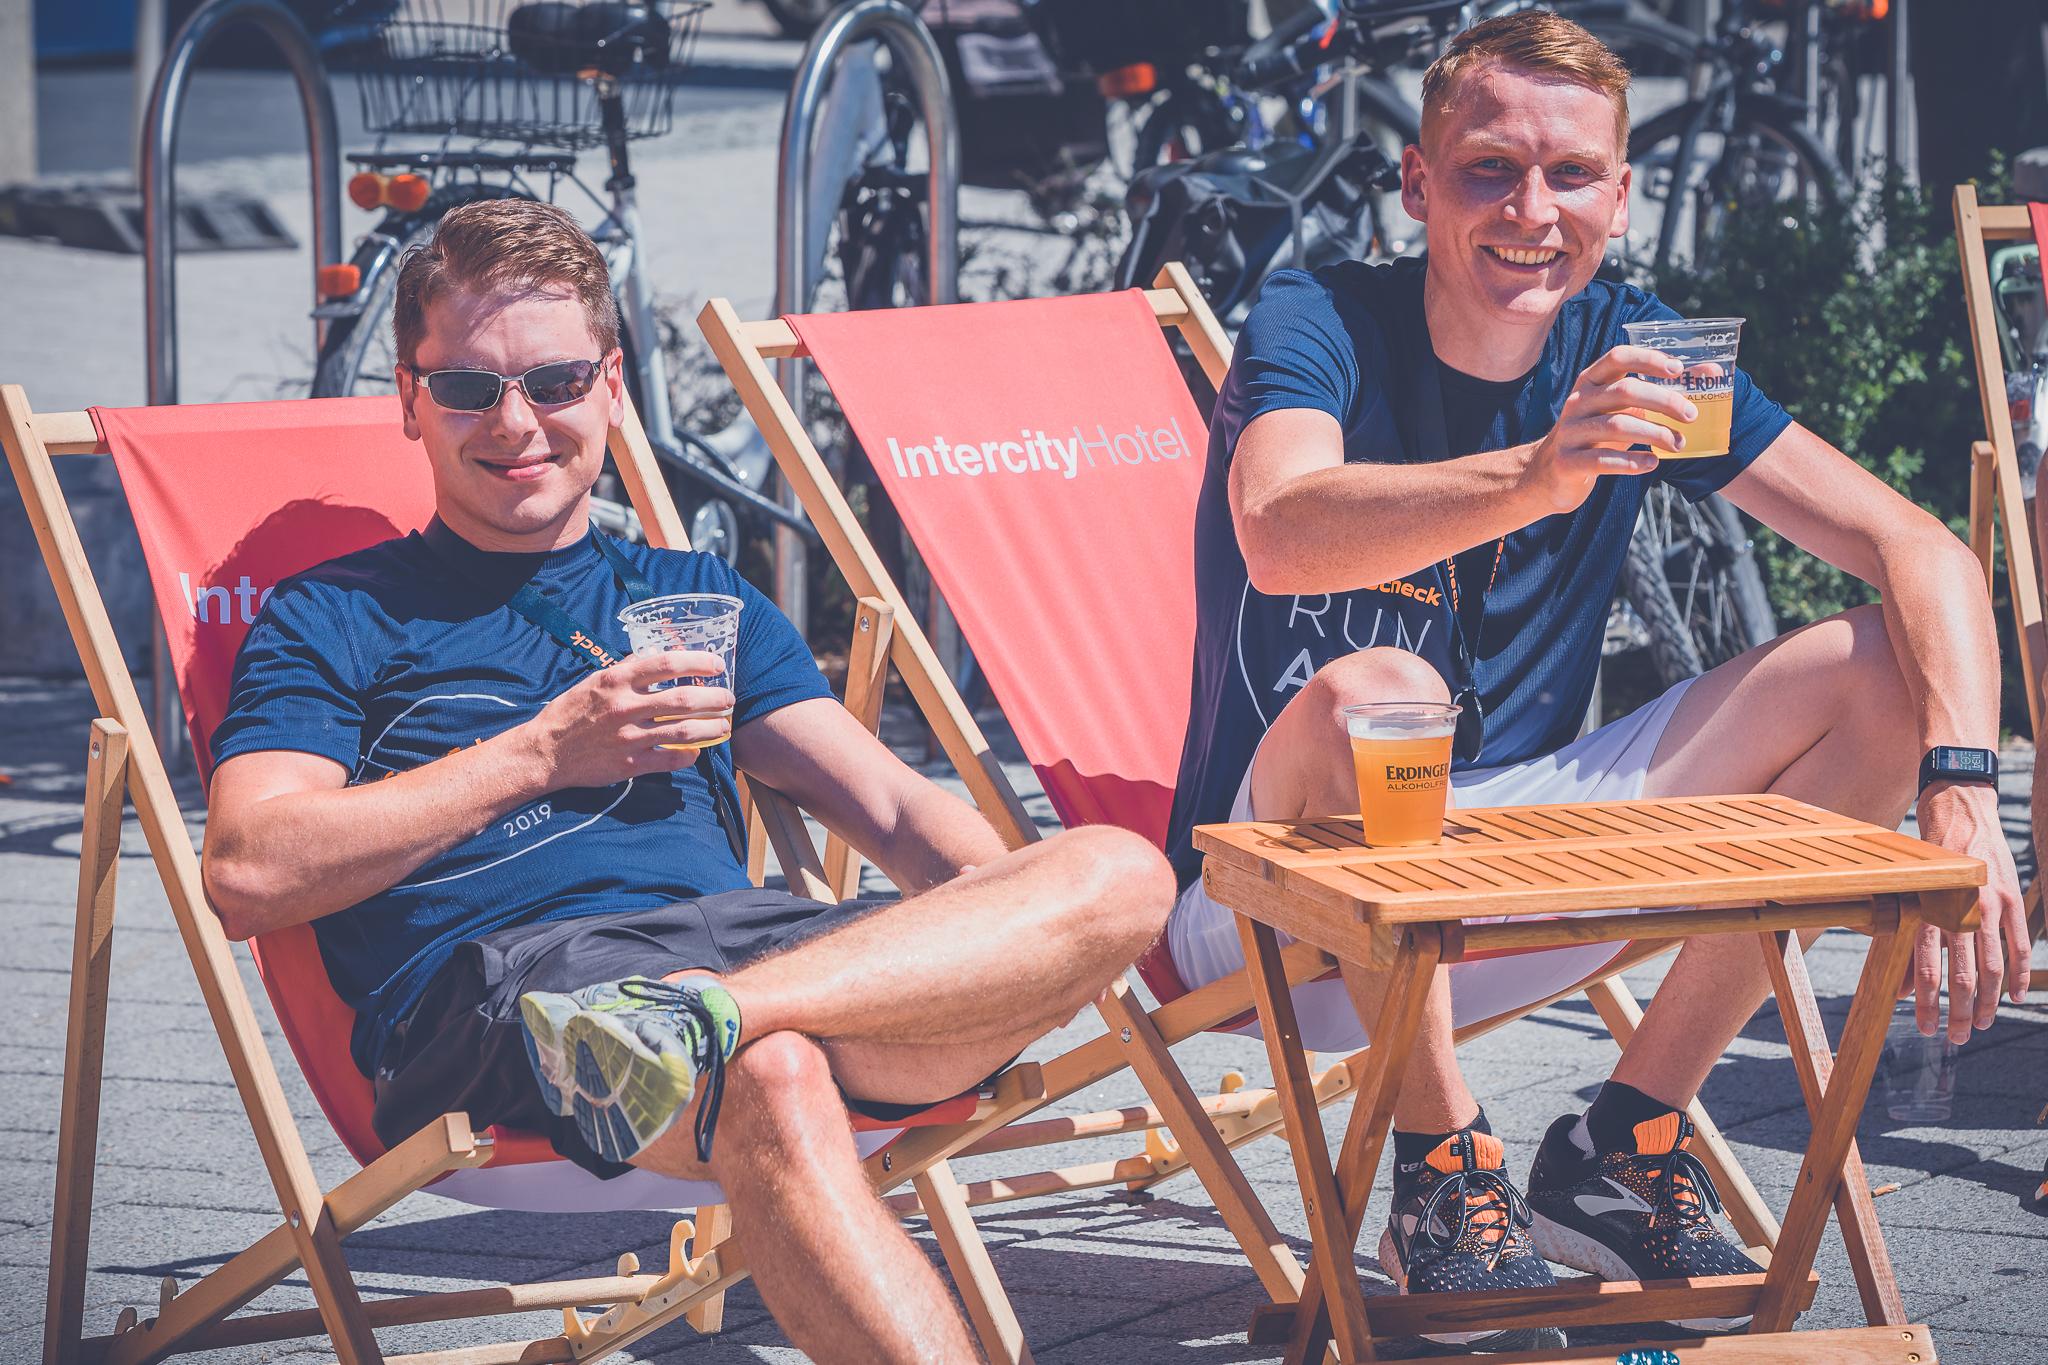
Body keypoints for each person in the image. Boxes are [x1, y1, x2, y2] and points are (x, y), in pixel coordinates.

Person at [1162, 12, 2026, 1354]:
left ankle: (1622, 1138)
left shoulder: (1638, 348)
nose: (1532, 210)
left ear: (1621, 197)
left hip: (1518, 853)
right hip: (1280, 893)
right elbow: (1278, 526)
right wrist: (1540, 473)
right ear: (1416, 184)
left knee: (1886, 673)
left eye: (1571, 176)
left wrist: (1963, 788)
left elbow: (1916, 546)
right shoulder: (1322, 313)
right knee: (1375, 687)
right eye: (1488, 170)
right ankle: (1442, 1175)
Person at [200, 198, 1175, 1363]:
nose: (515, 423)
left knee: (1117, 871)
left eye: (555, 383)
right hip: (518, 995)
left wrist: (1008, 927)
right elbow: (251, 870)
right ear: (409, 403)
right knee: (774, 1078)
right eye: (466, 389)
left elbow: (894, 809)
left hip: (759, 967)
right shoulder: (336, 615)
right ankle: (706, 1027)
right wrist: (543, 752)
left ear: (612, 385)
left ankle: (697, 1024)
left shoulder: (689, 594)